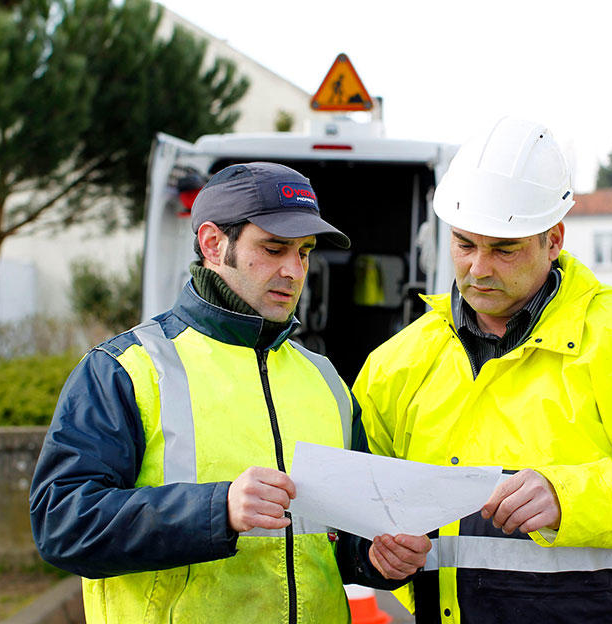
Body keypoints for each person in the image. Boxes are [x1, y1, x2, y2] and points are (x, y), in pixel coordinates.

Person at [352, 118, 612, 623]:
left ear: (554, 240)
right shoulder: (398, 362)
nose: (479, 268)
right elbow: (363, 508)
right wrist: (380, 560)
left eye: (504, 249)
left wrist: (567, 497)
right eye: (465, 244)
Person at [30, 162, 430, 624]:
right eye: (274, 248)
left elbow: (345, 534)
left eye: (304, 252)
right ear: (213, 244)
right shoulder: (125, 368)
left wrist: (376, 559)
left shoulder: (325, 380)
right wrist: (216, 508)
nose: (293, 270)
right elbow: (61, 524)